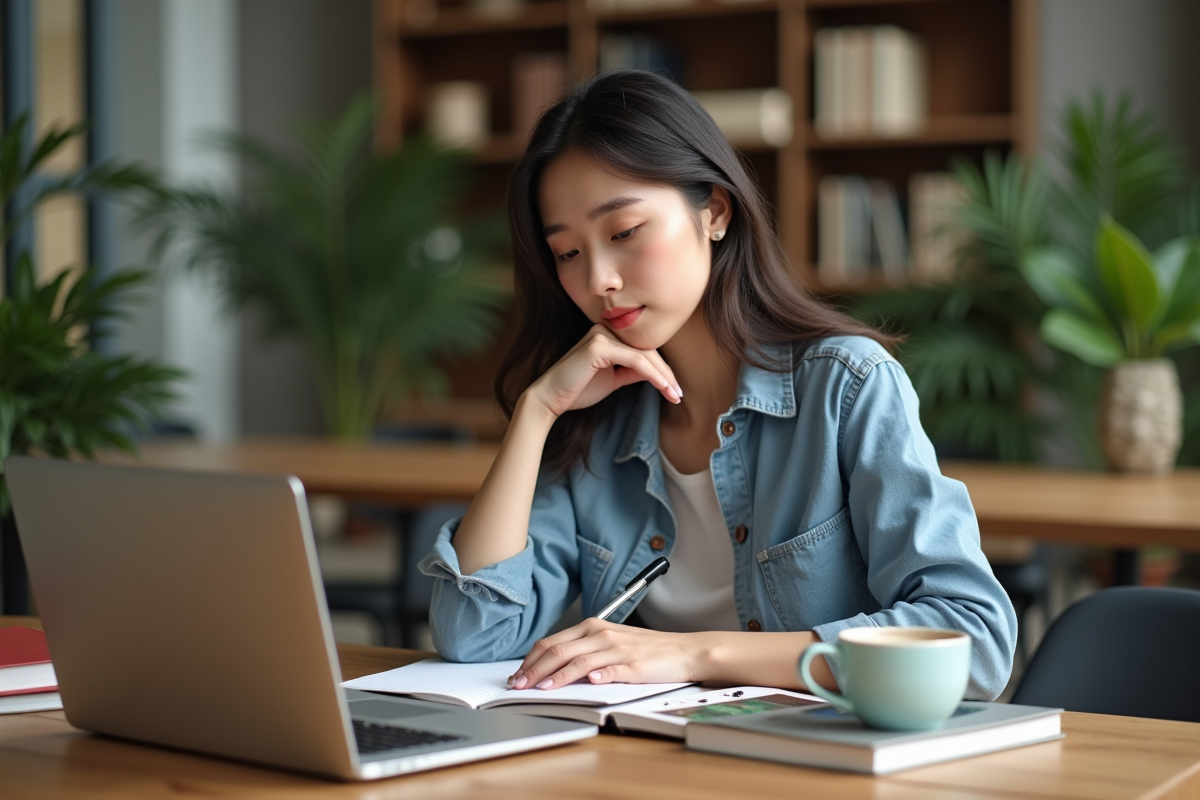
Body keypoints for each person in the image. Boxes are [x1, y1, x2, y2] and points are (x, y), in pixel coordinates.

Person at [419, 71, 1017, 699]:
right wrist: (537, 412)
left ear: (715, 212)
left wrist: (692, 654)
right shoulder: (593, 419)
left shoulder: (845, 386)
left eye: (624, 233)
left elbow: (973, 641)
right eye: (567, 253)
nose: (599, 279)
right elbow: (474, 636)